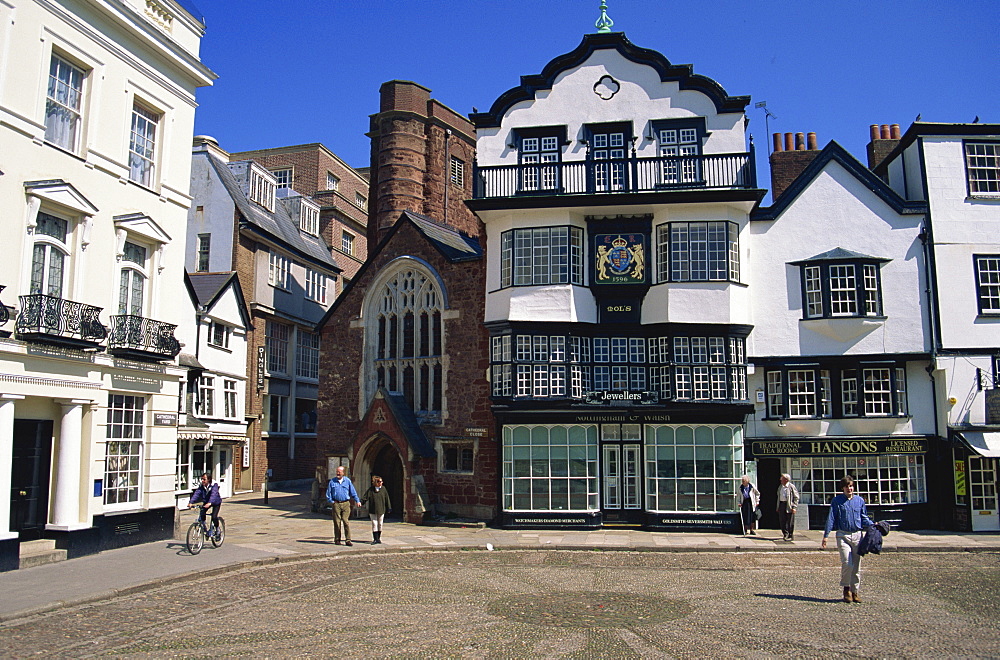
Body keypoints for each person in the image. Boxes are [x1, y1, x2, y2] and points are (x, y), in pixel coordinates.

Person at [821, 475, 874, 603]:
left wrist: (873, 525)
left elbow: (863, 517)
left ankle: (855, 591)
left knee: (856, 566)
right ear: (842, 488)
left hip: (857, 535)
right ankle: (846, 589)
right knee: (847, 563)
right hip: (842, 534)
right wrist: (826, 536)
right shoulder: (837, 501)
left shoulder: (860, 501)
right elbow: (831, 518)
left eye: (851, 486)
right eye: (847, 487)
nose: (849, 489)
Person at [326, 465, 361, 546]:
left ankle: (348, 540)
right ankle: (337, 539)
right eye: (337, 472)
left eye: (339, 472)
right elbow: (328, 494)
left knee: (345, 521)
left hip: (346, 503)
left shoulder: (347, 481)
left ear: (343, 473)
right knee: (337, 522)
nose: (338, 473)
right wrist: (332, 501)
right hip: (336, 503)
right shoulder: (332, 481)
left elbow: (353, 492)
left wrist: (357, 500)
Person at [188, 472, 222, 539]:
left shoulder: (214, 485)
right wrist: (191, 502)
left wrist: (210, 502)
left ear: (209, 479)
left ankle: (217, 529)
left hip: (215, 502)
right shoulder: (202, 486)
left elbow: (214, 494)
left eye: (204, 479)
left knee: (214, 517)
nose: (202, 481)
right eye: (202, 479)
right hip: (206, 502)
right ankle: (205, 529)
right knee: (202, 514)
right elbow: (197, 494)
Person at [361, 475, 392, 545]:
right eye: (379, 481)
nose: (381, 483)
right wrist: (361, 502)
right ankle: (375, 539)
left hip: (381, 509)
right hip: (373, 509)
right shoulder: (371, 490)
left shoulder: (383, 489)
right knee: (374, 524)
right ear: (375, 482)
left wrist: (389, 507)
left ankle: (378, 538)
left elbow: (387, 498)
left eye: (381, 481)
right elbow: (365, 497)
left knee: (380, 524)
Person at [776, 473, 800, 541]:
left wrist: (794, 507)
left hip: (789, 505)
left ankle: (790, 534)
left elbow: (796, 497)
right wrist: (778, 507)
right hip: (781, 504)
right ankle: (785, 534)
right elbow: (778, 496)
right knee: (782, 520)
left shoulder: (791, 487)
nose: (780, 479)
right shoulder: (780, 487)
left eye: (782, 478)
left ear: (786, 480)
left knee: (790, 521)